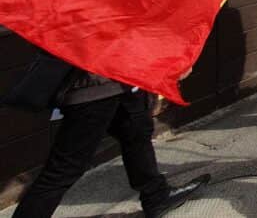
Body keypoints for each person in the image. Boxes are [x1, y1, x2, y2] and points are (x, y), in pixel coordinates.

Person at [13, 71, 210, 218]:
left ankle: (156, 195)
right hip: (94, 87)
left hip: (124, 80)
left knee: (137, 132)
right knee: (65, 167)